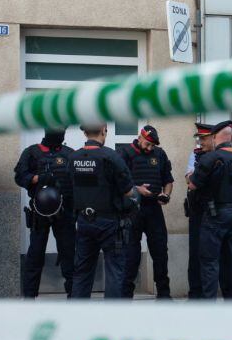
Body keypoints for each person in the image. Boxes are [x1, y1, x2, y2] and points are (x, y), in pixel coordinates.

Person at [69, 123, 134, 299]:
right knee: (114, 272)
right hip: (110, 223)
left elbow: (69, 189)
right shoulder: (111, 157)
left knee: (82, 272)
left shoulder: (73, 158)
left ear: (84, 132)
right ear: (104, 130)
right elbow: (129, 191)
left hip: (84, 221)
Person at [14, 129, 75, 298]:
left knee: (69, 252)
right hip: (39, 213)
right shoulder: (32, 152)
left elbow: (77, 180)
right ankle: (29, 295)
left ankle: (74, 294)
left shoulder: (69, 153)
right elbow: (19, 176)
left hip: (64, 211)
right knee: (35, 254)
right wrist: (36, 179)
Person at [191, 120, 232, 299]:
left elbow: (193, 185)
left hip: (214, 216)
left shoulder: (210, 158)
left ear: (215, 138)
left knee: (209, 262)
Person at [119, 125, 174, 299]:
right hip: (132, 210)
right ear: (140, 137)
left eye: (153, 145)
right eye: (148, 144)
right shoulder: (125, 153)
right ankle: (126, 296)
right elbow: (118, 183)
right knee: (131, 255)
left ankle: (164, 295)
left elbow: (168, 180)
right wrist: (137, 190)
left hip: (154, 210)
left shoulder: (159, 154)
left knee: (160, 252)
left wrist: (166, 194)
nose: (150, 148)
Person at [184, 123, 214, 299]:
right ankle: (195, 294)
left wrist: (198, 177)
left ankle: (210, 294)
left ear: (213, 138)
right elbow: (189, 178)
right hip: (197, 210)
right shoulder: (195, 154)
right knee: (195, 253)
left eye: (204, 138)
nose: (200, 142)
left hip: (214, 212)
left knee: (211, 256)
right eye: (199, 138)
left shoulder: (220, 156)